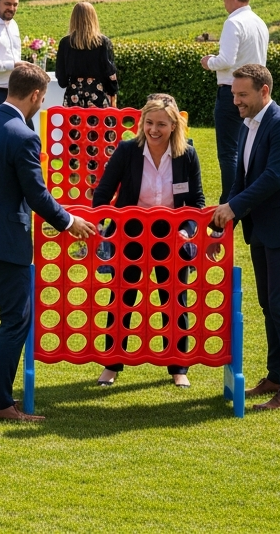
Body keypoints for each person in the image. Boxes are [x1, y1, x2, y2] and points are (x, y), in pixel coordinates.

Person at [0, 63, 96, 421]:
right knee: (16, 318)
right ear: (36, 96)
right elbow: (38, 196)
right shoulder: (24, 136)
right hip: (4, 238)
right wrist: (71, 221)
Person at [213, 64, 280, 411]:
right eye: (233, 95)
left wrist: (234, 208)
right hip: (263, 229)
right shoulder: (248, 125)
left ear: (264, 92)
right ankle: (275, 376)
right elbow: (241, 180)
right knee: (268, 305)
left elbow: (274, 177)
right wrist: (221, 222)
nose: (236, 101)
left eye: (242, 95)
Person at [92, 93, 204, 388]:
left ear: (174, 126)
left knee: (175, 301)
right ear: (142, 123)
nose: (154, 130)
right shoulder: (128, 150)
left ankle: (179, 368)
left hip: (171, 236)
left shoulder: (187, 154)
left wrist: (188, 228)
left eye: (162, 124)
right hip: (131, 234)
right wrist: (99, 226)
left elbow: (196, 201)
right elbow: (103, 193)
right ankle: (111, 365)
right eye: (149, 123)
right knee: (122, 299)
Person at [200, 0, 269, 198]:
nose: (223, 1)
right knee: (252, 149)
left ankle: (229, 200)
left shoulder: (233, 22)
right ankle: (251, 195)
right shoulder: (260, 22)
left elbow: (227, 60)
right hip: (257, 94)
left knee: (229, 151)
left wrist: (209, 62)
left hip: (232, 91)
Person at [55, 2, 118, 108]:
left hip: (74, 95)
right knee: (99, 124)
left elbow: (62, 78)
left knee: (73, 124)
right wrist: (112, 91)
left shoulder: (65, 43)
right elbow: (110, 73)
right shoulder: (103, 42)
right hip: (98, 95)